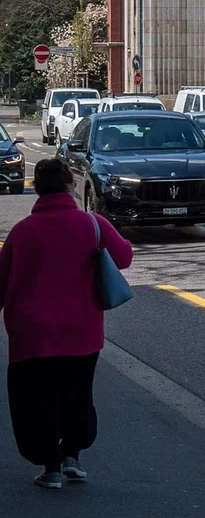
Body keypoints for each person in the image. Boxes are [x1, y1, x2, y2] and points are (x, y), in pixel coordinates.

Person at [0, 157, 133, 489]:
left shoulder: (21, 232)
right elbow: (124, 257)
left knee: (36, 401)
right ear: (69, 187)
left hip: (31, 336)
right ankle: (72, 456)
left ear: (38, 190)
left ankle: (51, 468)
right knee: (76, 394)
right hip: (81, 333)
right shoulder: (92, 224)